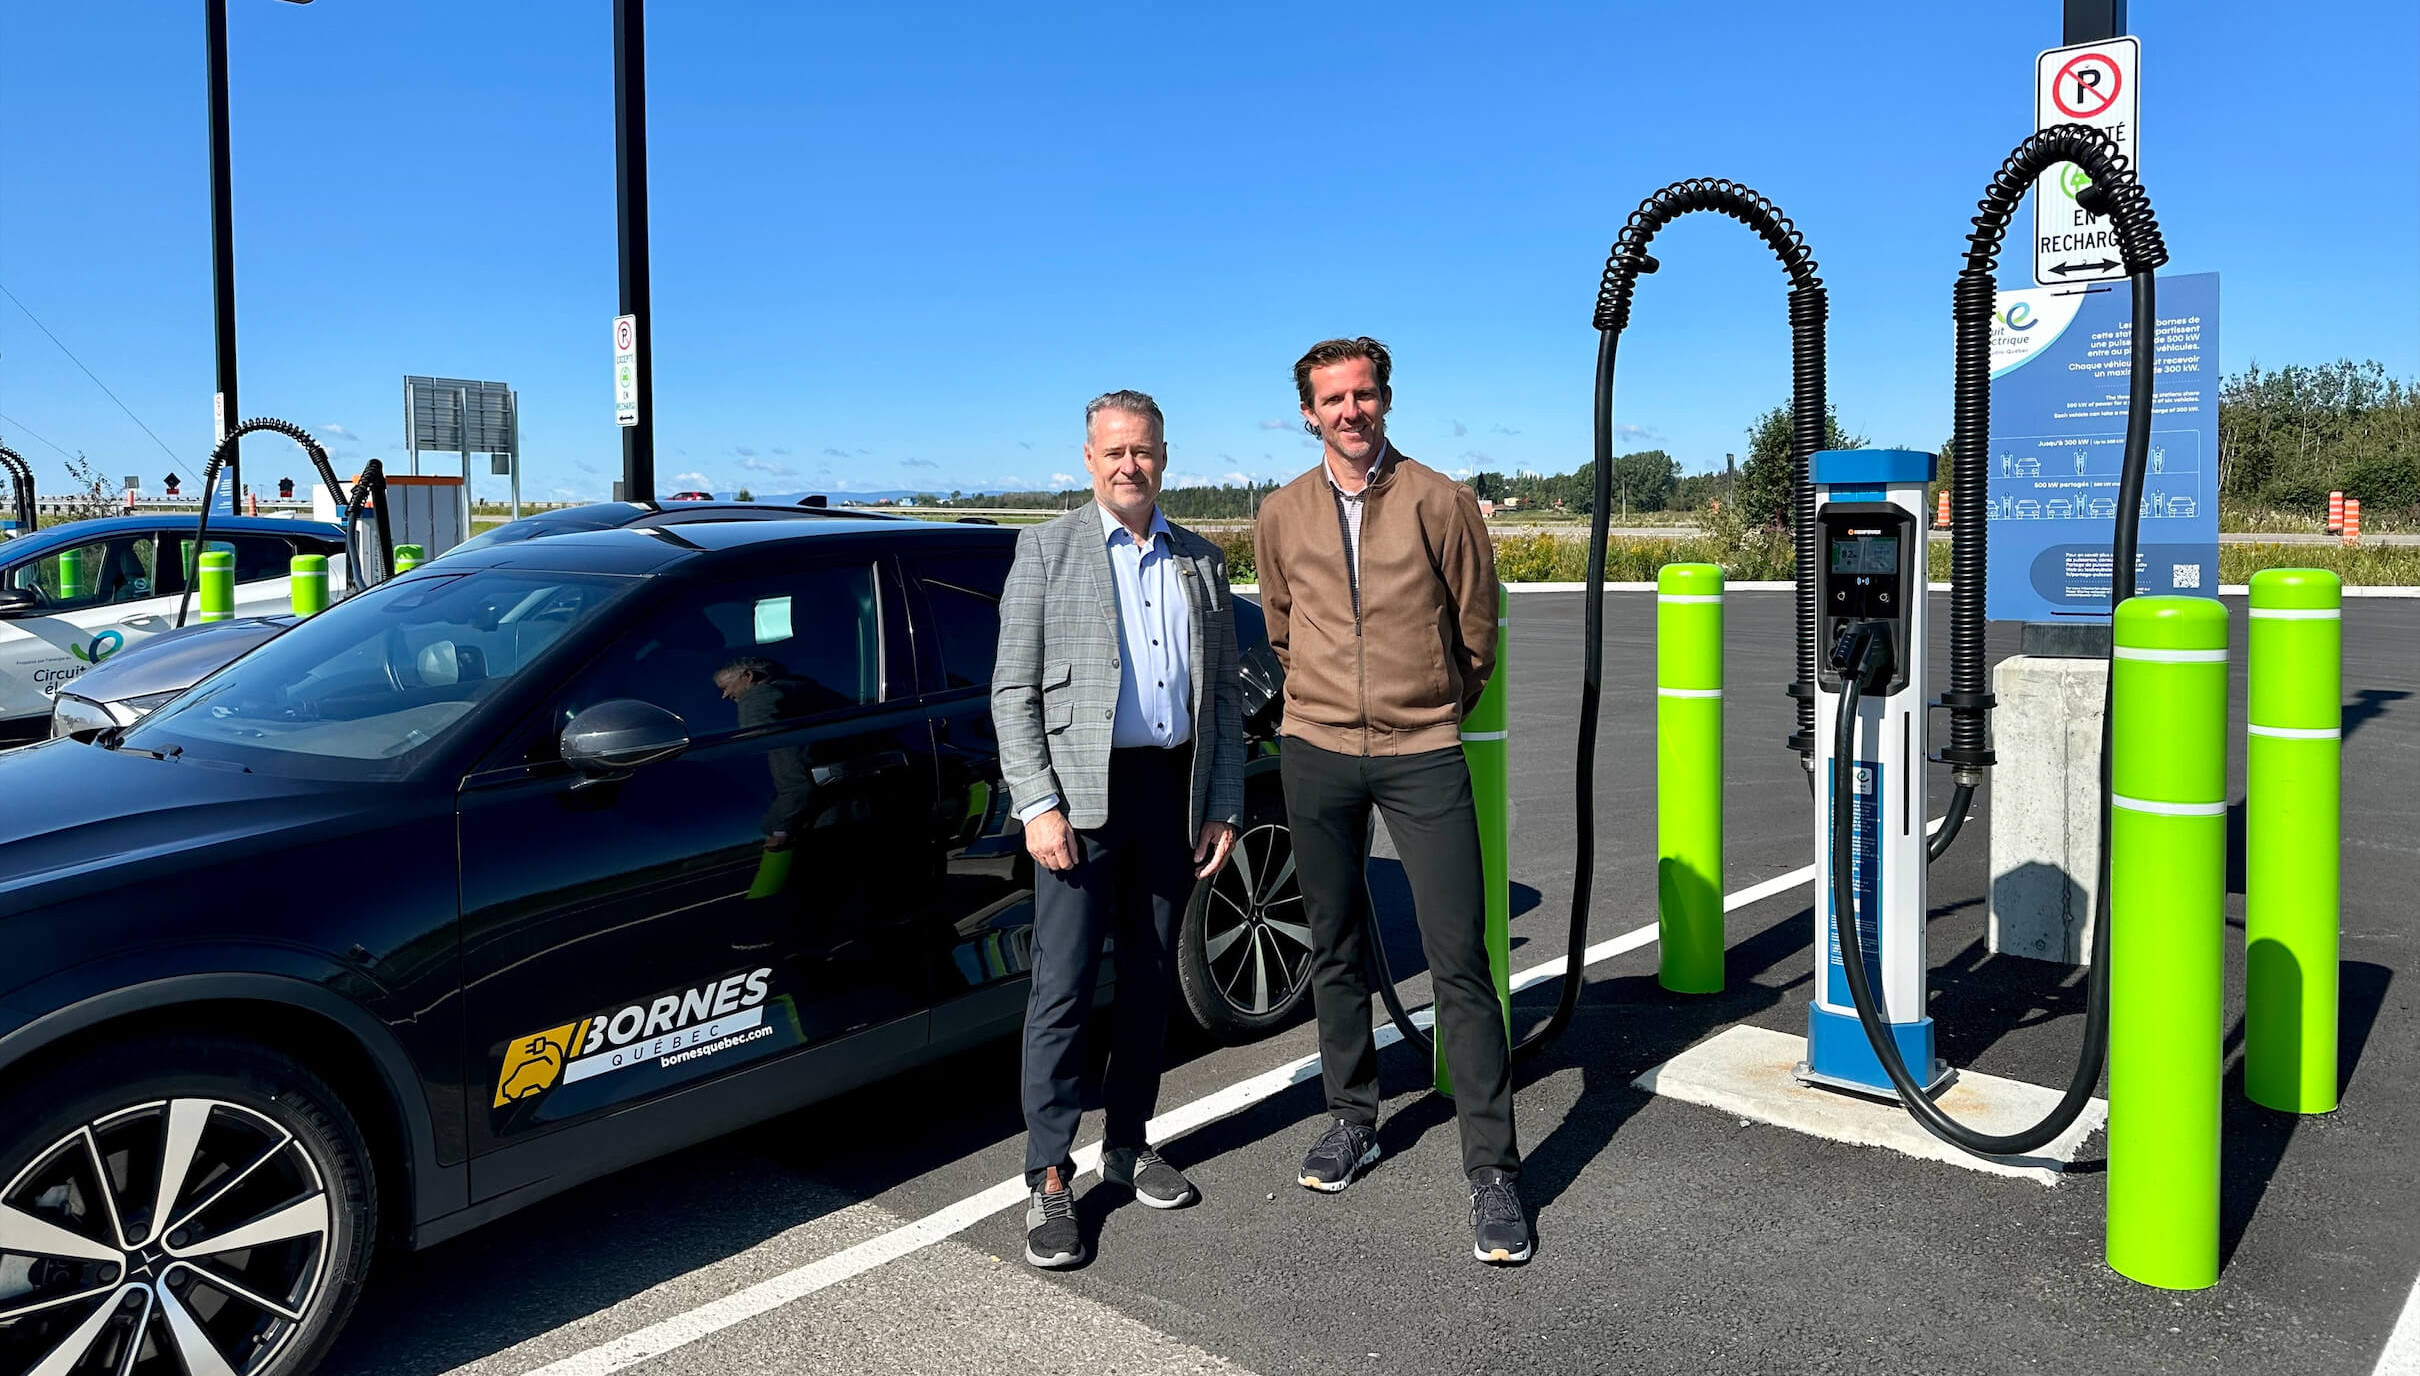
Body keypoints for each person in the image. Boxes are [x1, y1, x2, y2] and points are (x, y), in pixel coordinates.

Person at [1252, 336, 1528, 1264]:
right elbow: (1283, 631)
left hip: (1422, 752)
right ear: (1308, 412)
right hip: (1317, 752)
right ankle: (1352, 1117)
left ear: (1387, 400)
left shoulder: (1441, 502)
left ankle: (1493, 1170)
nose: (1350, 411)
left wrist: (1427, 703)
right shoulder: (1281, 513)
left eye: (1363, 394)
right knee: (1332, 949)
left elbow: (1475, 632)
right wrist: (1328, 704)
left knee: (1460, 958)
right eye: (1332, 399)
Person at [992, 389, 1244, 1269]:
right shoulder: (1047, 548)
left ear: (1164, 457)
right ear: (1088, 460)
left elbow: (1219, 708)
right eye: (1113, 452)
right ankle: (1048, 1174)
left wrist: (1223, 803)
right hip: (1079, 802)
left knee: (1148, 983)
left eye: (1142, 450)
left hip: (1169, 794)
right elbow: (1012, 690)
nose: (1128, 464)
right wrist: (1037, 804)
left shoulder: (1202, 562)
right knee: (1061, 988)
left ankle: (1131, 1143)